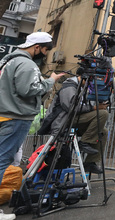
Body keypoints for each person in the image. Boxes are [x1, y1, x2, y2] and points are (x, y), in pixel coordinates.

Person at [0, 32, 65, 185]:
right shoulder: (27, 64)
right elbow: (28, 90)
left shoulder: (7, 60)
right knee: (3, 160)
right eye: (45, 50)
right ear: (37, 47)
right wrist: (50, 81)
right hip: (16, 117)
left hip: (4, 114)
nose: (46, 54)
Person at [38, 75, 109, 174]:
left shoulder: (83, 87)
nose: (91, 85)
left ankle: (90, 162)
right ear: (83, 78)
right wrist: (94, 108)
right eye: (90, 81)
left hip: (75, 118)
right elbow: (71, 108)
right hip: (63, 120)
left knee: (103, 131)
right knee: (102, 114)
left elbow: (83, 107)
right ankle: (84, 142)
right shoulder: (69, 87)